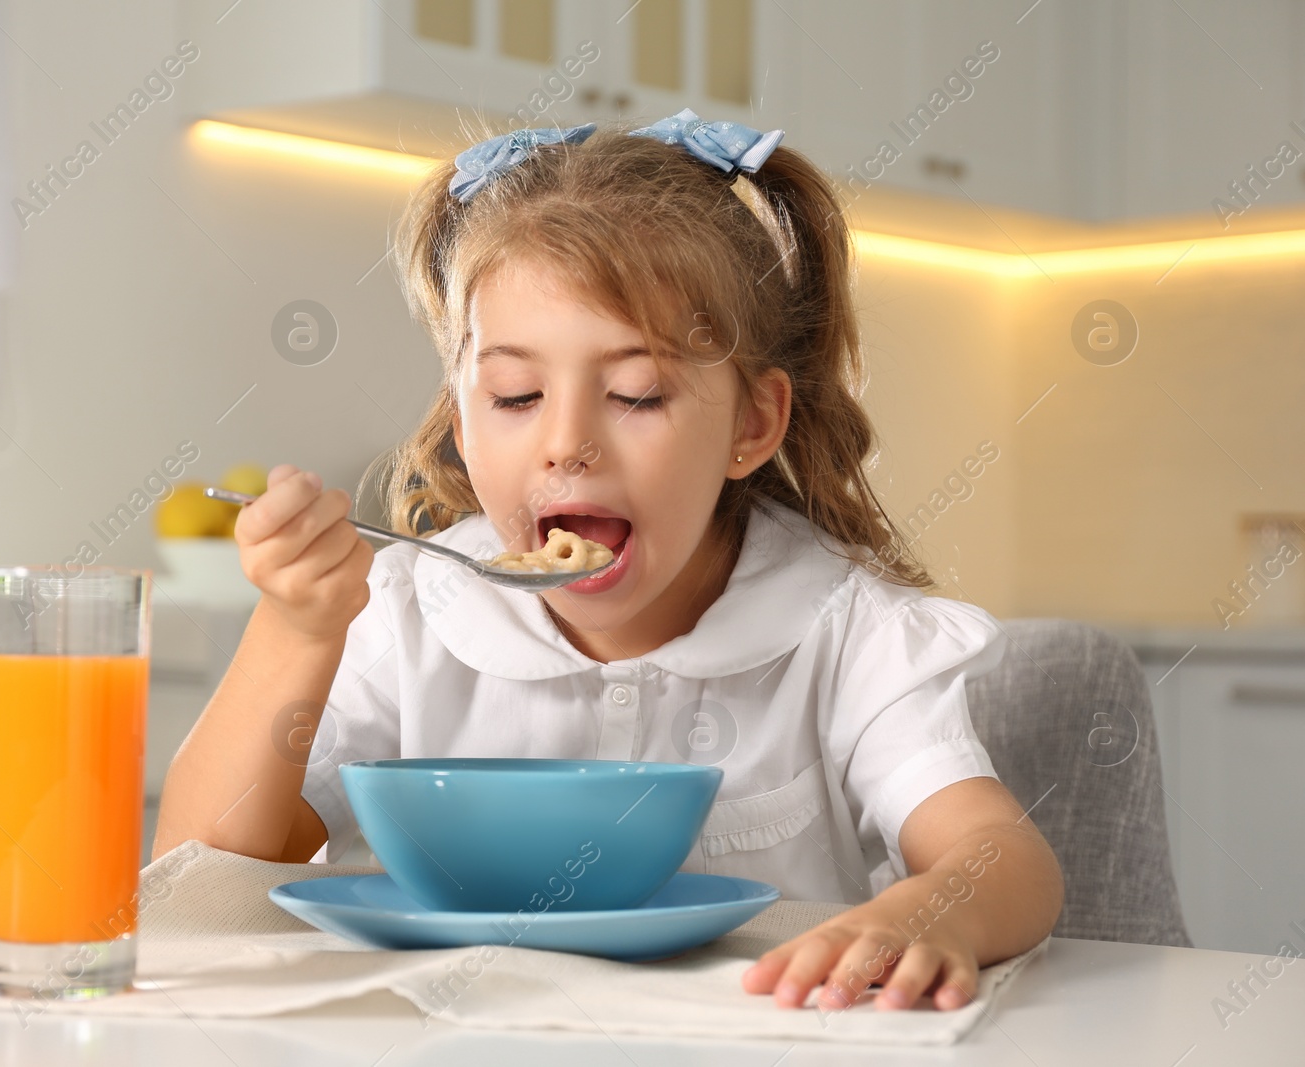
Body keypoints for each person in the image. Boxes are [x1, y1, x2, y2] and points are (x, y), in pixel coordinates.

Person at [155, 110, 1063, 1013]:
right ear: (461, 418)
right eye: (515, 395)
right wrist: (295, 630)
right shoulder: (406, 612)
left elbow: (1001, 855)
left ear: (751, 423)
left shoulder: (844, 629)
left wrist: (923, 913)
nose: (566, 443)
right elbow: (199, 885)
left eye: (636, 393)